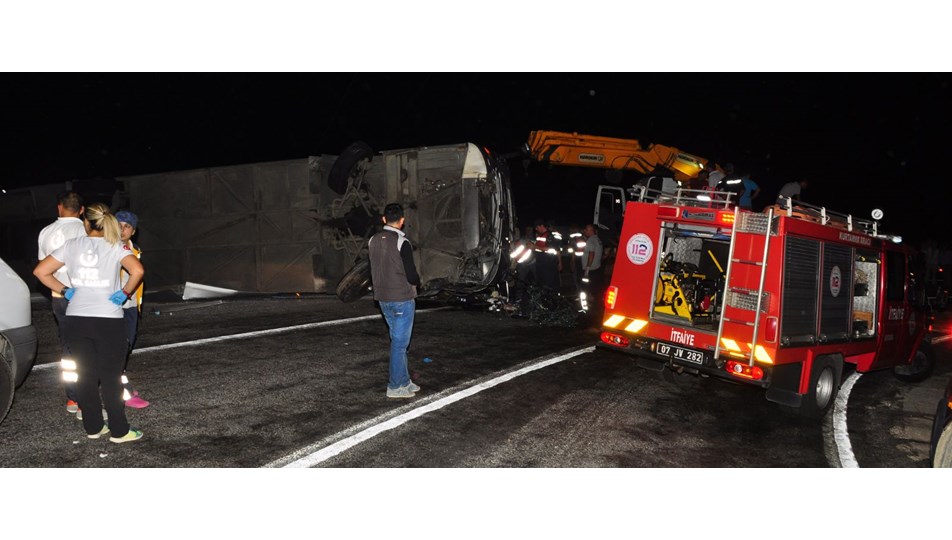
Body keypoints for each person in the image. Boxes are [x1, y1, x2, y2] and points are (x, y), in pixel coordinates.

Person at [33, 203, 145, 443]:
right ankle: (119, 431)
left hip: (77, 318)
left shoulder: (71, 245)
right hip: (108, 318)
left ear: (86, 222)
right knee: (110, 376)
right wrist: (124, 293)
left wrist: (64, 290)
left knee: (85, 375)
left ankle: (93, 427)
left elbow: (41, 272)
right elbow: (137, 271)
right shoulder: (116, 245)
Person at [36, 191, 86, 415]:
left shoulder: (46, 231)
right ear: (81, 209)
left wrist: (62, 290)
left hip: (59, 297)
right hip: (84, 297)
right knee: (88, 347)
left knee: (68, 349)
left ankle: (72, 398)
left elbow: (43, 267)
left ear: (59, 207)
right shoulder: (85, 230)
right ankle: (87, 398)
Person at [368, 203, 422, 399]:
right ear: (402, 221)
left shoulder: (372, 240)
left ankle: (405, 380)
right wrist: (418, 282)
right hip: (401, 298)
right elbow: (411, 274)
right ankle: (395, 386)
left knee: (399, 341)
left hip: (382, 298)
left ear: (384, 219)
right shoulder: (402, 241)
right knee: (399, 344)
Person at [116, 210, 150, 409]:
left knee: (127, 347)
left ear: (133, 231)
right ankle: (123, 392)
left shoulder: (134, 249)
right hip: (114, 308)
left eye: (127, 226)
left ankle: (121, 385)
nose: (122, 229)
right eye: (118, 225)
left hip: (130, 306)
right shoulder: (109, 248)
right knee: (118, 350)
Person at [581, 223, 605, 318]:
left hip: (591, 270)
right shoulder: (598, 240)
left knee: (587, 289)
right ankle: (598, 307)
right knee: (596, 289)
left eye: (587, 229)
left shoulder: (591, 241)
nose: (585, 231)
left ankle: (588, 310)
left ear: (591, 230)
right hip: (597, 268)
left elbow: (591, 253)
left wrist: (587, 268)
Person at [531, 218, 562, 293]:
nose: (536, 229)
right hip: (541, 264)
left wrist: (560, 263)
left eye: (537, 227)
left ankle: (553, 300)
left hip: (549, 265)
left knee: (550, 285)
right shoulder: (539, 236)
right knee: (542, 284)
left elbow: (554, 249)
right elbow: (539, 248)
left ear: (542, 226)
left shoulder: (550, 236)